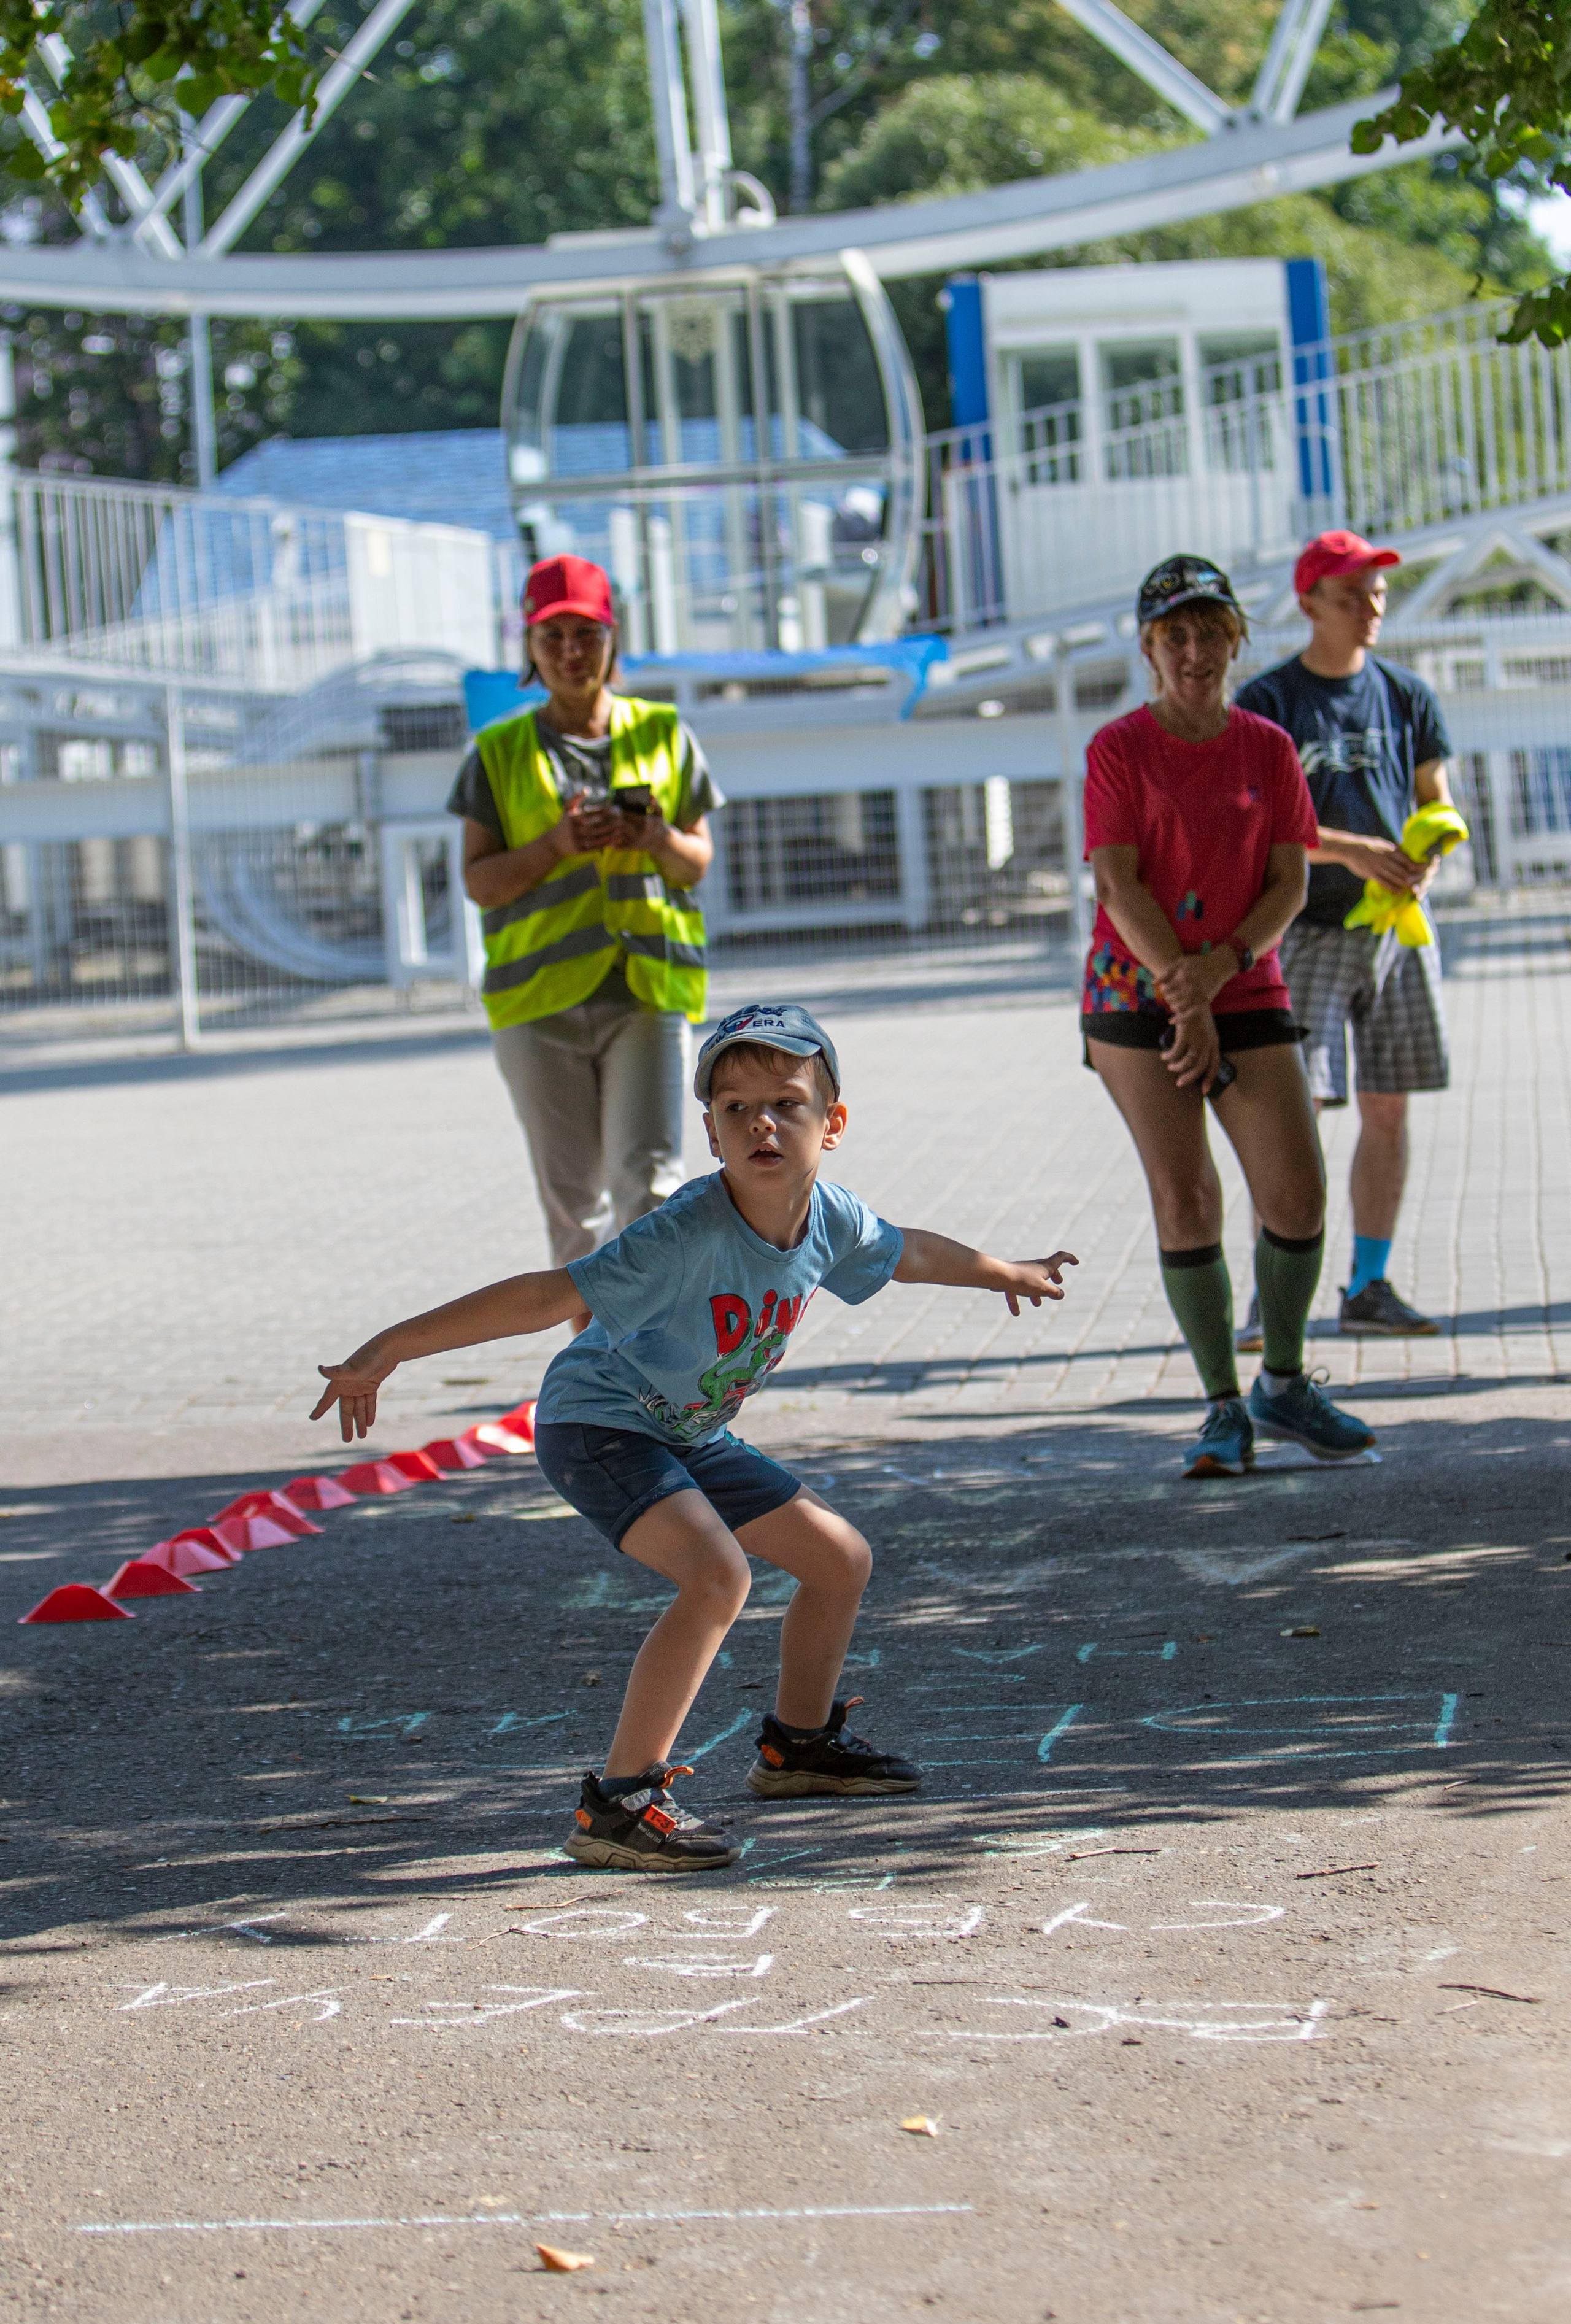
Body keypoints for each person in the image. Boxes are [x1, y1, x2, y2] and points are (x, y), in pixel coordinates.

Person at [311, 1002, 1078, 1872]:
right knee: (719, 1577)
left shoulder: (832, 1220)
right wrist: (391, 1349)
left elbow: (911, 1254)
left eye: (787, 1104)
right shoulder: (686, 1230)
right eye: (735, 1107)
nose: (762, 1122)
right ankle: (621, 1803)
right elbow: (545, 1298)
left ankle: (798, 1749)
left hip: (687, 1429)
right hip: (598, 1422)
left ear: (833, 1124)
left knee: (841, 1560)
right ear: (712, 1135)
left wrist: (1006, 1273)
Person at [1081, 553, 1375, 1478]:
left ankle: (1282, 1381)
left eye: (1212, 632)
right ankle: (1221, 1406)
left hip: (1241, 980)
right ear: (1149, 648)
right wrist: (1181, 985)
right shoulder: (1119, 748)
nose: (1196, 650)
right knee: (1188, 1195)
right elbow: (1117, 881)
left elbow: (1290, 880)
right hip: (1136, 992)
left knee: (1297, 1191)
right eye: (1177, 636)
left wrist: (1218, 973)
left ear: (1238, 641)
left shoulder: (1267, 746)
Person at [449, 554, 721, 1303]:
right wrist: (556, 848)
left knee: (652, 1187)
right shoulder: (497, 753)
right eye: (553, 635)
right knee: (575, 1207)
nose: (572, 652)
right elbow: (479, 882)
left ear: (612, 638)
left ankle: (657, 1366)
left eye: (587, 634)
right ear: (530, 649)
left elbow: (695, 863)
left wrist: (657, 839)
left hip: (647, 990)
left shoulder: (664, 733)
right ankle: (592, 1375)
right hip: (537, 1004)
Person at [1232, 530, 1456, 1342]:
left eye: (1378, 593)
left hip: (1395, 934)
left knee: (1388, 1107)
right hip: (1304, 930)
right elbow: (1258, 824)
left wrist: (1427, 850)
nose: (1371, 608)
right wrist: (1356, 850)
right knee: (1298, 1118)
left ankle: (1368, 1284)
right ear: (1309, 604)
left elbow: (1435, 795)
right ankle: (1272, 1295)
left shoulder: (1406, 694)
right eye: (1352, 594)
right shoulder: (1271, 703)